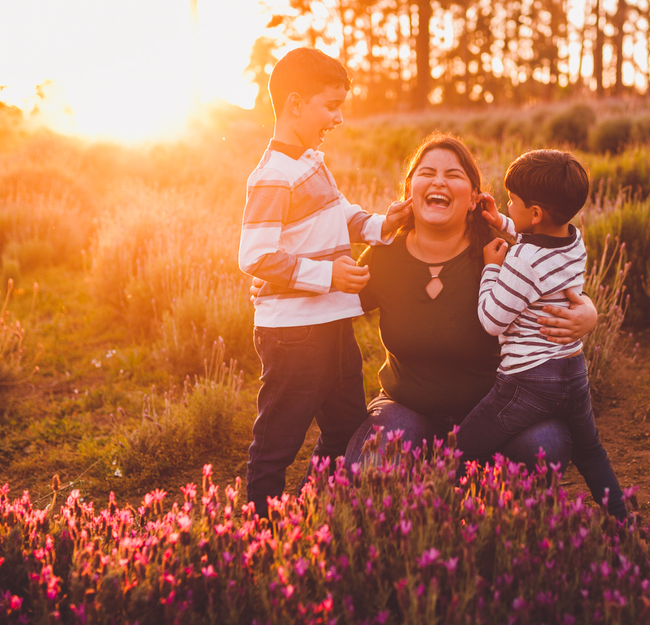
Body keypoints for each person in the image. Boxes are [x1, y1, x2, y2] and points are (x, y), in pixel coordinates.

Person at [344, 133, 598, 470]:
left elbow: (559, 284)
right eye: (426, 172)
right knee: (371, 466)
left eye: (453, 175)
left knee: (546, 446)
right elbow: (336, 305)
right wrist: (287, 286)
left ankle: (459, 479)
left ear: (474, 197)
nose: (439, 181)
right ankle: (442, 479)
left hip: (497, 412)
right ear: (409, 191)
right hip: (408, 407)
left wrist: (589, 313)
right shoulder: (384, 256)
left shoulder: (500, 253)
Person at [238, 46, 410, 519]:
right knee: (278, 441)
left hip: (333, 322)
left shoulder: (310, 160)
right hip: (294, 332)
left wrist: (382, 223)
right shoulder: (273, 175)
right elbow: (255, 255)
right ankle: (258, 533)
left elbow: (338, 215)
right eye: (330, 105)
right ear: (295, 105)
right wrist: (328, 274)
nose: (338, 117)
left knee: (347, 426)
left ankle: (314, 508)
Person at [458, 150, 627, 519]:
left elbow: (492, 320)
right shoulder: (574, 240)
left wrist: (491, 269)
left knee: (461, 448)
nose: (507, 204)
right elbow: (534, 233)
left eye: (512, 202)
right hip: (572, 369)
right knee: (590, 450)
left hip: (528, 381)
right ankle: (622, 520)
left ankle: (445, 513)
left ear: (535, 213)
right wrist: (502, 220)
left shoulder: (522, 261)